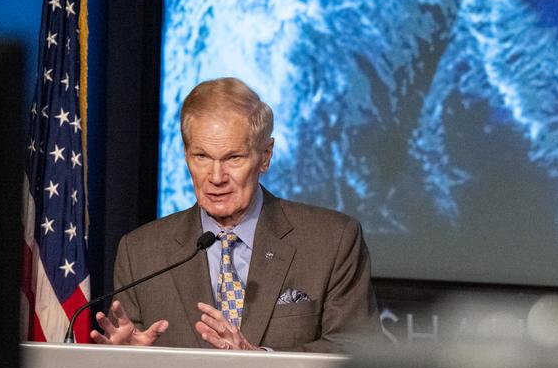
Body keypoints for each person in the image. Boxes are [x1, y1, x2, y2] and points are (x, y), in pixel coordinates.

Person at [92, 77, 377, 352]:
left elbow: (355, 349)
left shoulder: (331, 241)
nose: (215, 177)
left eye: (233, 158)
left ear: (265, 155)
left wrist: (259, 358)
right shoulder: (141, 253)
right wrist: (128, 359)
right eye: (201, 156)